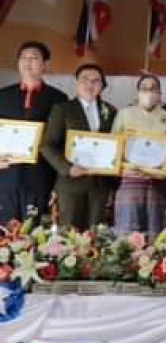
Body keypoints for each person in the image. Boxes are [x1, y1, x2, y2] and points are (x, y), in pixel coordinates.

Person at [40, 64, 118, 231]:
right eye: (85, 79)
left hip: (100, 185)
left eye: (96, 81)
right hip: (71, 184)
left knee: (96, 235)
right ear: (76, 83)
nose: (90, 84)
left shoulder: (111, 111)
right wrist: (68, 168)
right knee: (69, 235)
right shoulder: (63, 109)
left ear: (102, 86)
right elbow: (47, 145)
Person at [0, 41, 67, 221]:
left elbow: (62, 142)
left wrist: (58, 184)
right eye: (23, 58)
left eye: (34, 58)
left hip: (40, 175)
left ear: (45, 64)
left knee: (35, 230)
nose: (27, 62)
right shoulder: (3, 95)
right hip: (6, 174)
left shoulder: (58, 98)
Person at [110, 74, 166, 235]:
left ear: (160, 93)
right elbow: (113, 144)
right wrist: (120, 168)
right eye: (144, 88)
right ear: (138, 92)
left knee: (154, 230)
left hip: (156, 180)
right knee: (127, 230)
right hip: (130, 178)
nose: (149, 91)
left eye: (153, 88)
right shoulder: (124, 114)